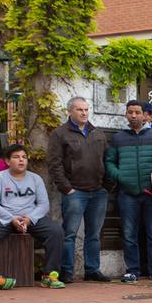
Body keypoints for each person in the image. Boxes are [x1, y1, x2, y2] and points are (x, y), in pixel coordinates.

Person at [0, 144, 63, 290]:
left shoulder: (36, 179)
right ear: (7, 161)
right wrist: (11, 219)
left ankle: (49, 276)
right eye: (16, 157)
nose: (21, 160)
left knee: (56, 232)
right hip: (4, 217)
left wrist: (29, 219)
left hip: (29, 217)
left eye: (24, 157)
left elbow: (43, 205)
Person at [47, 96, 110, 282]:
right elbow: (54, 163)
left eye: (86, 109)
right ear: (70, 112)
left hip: (98, 192)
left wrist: (107, 186)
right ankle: (67, 271)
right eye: (79, 110)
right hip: (75, 192)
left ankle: (92, 270)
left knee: (94, 234)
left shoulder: (97, 133)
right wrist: (66, 188)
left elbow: (107, 160)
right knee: (69, 234)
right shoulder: (60, 134)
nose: (84, 113)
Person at [105, 101, 152, 285]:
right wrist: (120, 176)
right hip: (127, 194)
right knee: (129, 233)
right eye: (130, 112)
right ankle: (132, 271)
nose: (134, 115)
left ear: (144, 115)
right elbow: (109, 162)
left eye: (137, 112)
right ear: (126, 115)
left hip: (151, 194)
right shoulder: (118, 138)